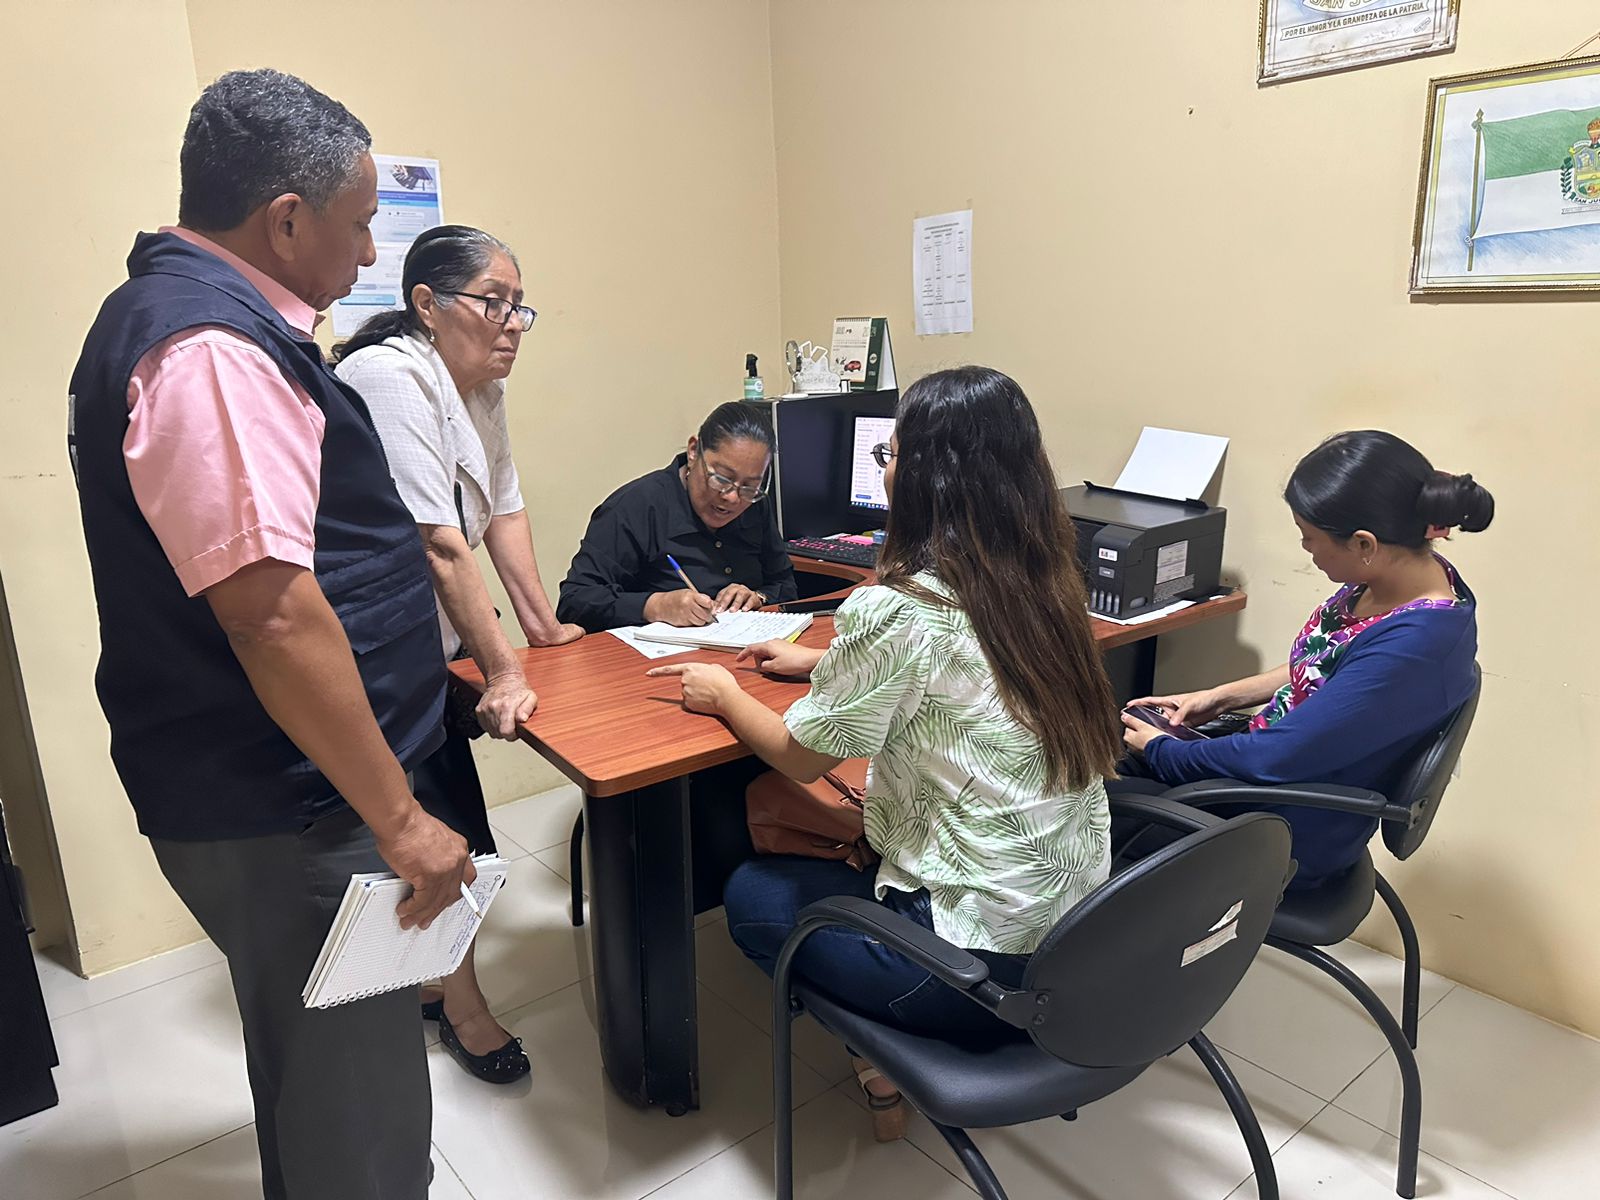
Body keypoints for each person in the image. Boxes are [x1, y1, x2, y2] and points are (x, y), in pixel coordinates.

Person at [68, 70, 471, 1199]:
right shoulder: (210, 349)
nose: (367, 255)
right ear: (286, 219)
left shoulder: (190, 319)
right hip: (294, 805)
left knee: (314, 1075)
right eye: (359, 225)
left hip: (280, 788)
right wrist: (402, 821)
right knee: (362, 1117)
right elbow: (271, 616)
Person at [647, 366, 1123, 1140]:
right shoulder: (1045, 581)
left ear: (930, 477)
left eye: (890, 454)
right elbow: (964, 663)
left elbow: (801, 755)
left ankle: (879, 1056)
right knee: (849, 838)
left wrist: (724, 694)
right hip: (1078, 942)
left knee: (756, 894)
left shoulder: (899, 607)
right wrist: (825, 660)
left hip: (977, 976)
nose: (886, 469)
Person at [333, 225, 582, 1083]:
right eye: (493, 302)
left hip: (428, 647)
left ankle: (433, 981)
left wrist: (541, 629)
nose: (512, 323)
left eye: (520, 307)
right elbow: (440, 544)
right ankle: (460, 1007)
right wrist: (503, 670)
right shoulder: (388, 375)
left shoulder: (478, 386)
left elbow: (503, 509)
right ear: (427, 305)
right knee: (438, 835)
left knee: (447, 827)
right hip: (375, 654)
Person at [1119, 430, 1492, 888]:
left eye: (1309, 537)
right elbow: (1327, 664)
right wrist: (1218, 698)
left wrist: (1166, 752)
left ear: (1364, 545)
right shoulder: (1402, 579)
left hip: (1284, 826)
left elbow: (1277, 757)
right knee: (1112, 752)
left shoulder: (1416, 644)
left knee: (1094, 812)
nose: (1305, 549)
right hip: (1269, 774)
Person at [556, 402, 798, 631]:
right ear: (693, 451)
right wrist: (655, 606)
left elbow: (786, 584)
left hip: (743, 647)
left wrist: (758, 597)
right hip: (655, 656)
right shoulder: (636, 507)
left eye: (749, 487)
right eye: (722, 479)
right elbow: (574, 602)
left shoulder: (755, 505)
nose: (733, 498)